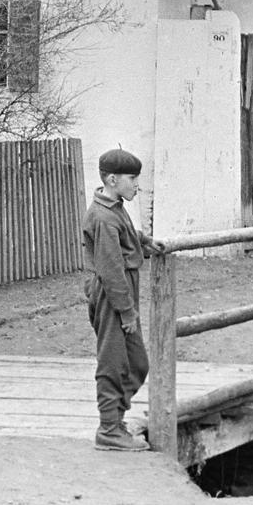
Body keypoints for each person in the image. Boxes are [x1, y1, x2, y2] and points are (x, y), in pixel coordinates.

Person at [83, 147, 161, 452]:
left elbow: (125, 233)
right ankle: (109, 428)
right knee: (113, 360)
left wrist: (142, 241)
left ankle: (115, 416)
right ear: (112, 179)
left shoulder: (114, 207)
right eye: (132, 178)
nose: (136, 185)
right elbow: (111, 270)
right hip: (111, 294)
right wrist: (126, 311)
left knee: (137, 362)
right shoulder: (101, 216)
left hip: (123, 291)